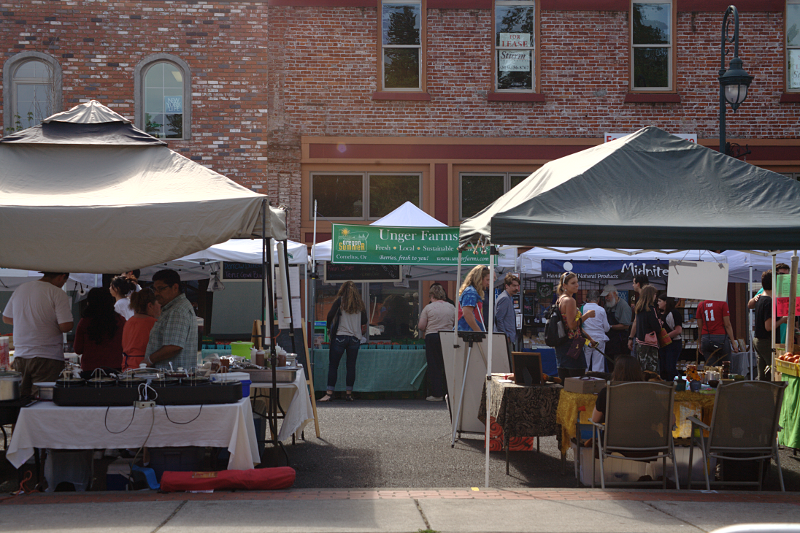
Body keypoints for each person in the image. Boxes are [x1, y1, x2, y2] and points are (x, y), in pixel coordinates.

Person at [3, 272, 73, 397]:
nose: (63, 284)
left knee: (21, 398)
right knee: (43, 400)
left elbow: (6, 318)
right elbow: (66, 326)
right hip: (47, 355)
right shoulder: (57, 293)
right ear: (62, 276)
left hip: (21, 355)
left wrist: (27, 321)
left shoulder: (21, 289)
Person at [320, 281, 367, 402]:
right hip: (355, 338)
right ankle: (348, 394)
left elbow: (330, 315)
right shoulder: (360, 304)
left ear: (342, 289)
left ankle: (329, 393)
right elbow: (364, 321)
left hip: (340, 336)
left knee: (333, 365)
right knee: (351, 366)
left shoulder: (340, 301)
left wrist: (329, 327)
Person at [143, 269, 197, 371]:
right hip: (170, 377)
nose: (156, 293)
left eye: (161, 289)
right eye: (154, 289)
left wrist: (149, 360)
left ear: (175, 287)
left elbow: (174, 346)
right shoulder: (173, 308)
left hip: (171, 378)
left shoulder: (177, 310)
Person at [554, 272, 595, 381]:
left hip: (562, 347)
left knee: (565, 383)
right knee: (578, 383)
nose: (577, 285)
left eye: (577, 282)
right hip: (572, 346)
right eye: (573, 283)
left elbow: (572, 326)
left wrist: (589, 339)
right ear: (564, 286)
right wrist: (587, 315)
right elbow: (572, 325)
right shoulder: (570, 301)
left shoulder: (560, 300)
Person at [418, 283, 455, 402]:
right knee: (448, 366)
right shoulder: (451, 307)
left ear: (432, 295)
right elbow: (456, 324)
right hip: (448, 337)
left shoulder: (428, 308)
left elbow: (421, 326)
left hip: (432, 337)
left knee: (435, 366)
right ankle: (450, 393)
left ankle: (437, 394)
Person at [73, 287, 125, 373]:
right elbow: (126, 346)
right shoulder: (120, 321)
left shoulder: (85, 322)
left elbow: (77, 349)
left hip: (90, 369)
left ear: (89, 303)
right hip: (114, 367)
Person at [754, 270, 787, 381]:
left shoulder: (760, 298)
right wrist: (783, 320)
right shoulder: (768, 302)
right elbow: (768, 327)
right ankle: (771, 395)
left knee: (763, 374)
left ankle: (761, 393)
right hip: (766, 341)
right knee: (773, 371)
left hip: (759, 340)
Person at [591, 354, 644, 424]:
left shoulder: (607, 392)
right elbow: (659, 416)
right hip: (645, 434)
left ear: (616, 372)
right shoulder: (648, 392)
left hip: (615, 434)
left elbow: (595, 419)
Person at [749, 263, 790, 344]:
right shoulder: (769, 289)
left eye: (787, 275)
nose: (784, 277)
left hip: (785, 330)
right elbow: (750, 305)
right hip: (772, 332)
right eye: (781, 274)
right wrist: (755, 298)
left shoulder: (788, 289)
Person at [122, 288, 161, 371]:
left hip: (127, 365)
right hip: (145, 367)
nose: (161, 306)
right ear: (150, 305)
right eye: (159, 303)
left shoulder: (128, 322)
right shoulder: (155, 323)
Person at [696, 298, 738, 365]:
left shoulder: (701, 305)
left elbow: (700, 327)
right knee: (726, 366)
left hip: (706, 338)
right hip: (721, 338)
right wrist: (733, 342)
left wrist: (700, 342)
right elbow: (727, 324)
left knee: (711, 366)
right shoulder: (722, 304)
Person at [631, 285, 661, 373]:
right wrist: (659, 322)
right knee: (651, 370)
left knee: (641, 367)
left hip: (640, 340)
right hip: (650, 342)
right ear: (651, 295)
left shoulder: (639, 308)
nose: (655, 297)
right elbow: (656, 327)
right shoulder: (650, 309)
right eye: (655, 294)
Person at [656, 292, 683, 381]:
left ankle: (679, 383)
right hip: (662, 345)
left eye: (660, 301)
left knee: (670, 368)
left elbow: (678, 330)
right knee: (663, 368)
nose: (658, 303)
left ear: (666, 302)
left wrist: (665, 337)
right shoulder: (659, 313)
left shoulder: (674, 313)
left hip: (673, 344)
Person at [581, 290, 609, 372]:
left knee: (585, 362)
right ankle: (597, 381)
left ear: (587, 299)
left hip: (586, 339)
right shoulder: (601, 310)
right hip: (599, 338)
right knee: (598, 364)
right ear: (598, 300)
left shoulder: (582, 309)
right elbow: (606, 328)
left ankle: (583, 380)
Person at [601, 283, 632, 357]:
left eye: (607, 295)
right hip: (609, 340)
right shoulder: (607, 306)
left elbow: (626, 326)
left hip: (620, 341)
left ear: (614, 293)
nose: (606, 298)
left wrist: (610, 326)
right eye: (605, 296)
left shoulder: (623, 306)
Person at [457, 266, 489, 332]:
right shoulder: (471, 292)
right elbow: (467, 313)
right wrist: (478, 332)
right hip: (467, 333)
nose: (488, 283)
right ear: (480, 279)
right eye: (487, 280)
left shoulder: (472, 291)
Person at [494, 273, 520, 348]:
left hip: (506, 337)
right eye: (514, 286)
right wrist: (505, 336)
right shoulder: (505, 298)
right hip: (504, 338)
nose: (517, 288)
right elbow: (499, 319)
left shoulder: (508, 297)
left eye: (517, 286)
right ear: (506, 286)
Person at [627, 273, 649, 355]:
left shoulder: (640, 300)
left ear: (638, 284)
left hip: (640, 337)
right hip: (650, 337)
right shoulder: (650, 298)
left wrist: (630, 337)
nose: (633, 285)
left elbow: (636, 320)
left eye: (633, 283)